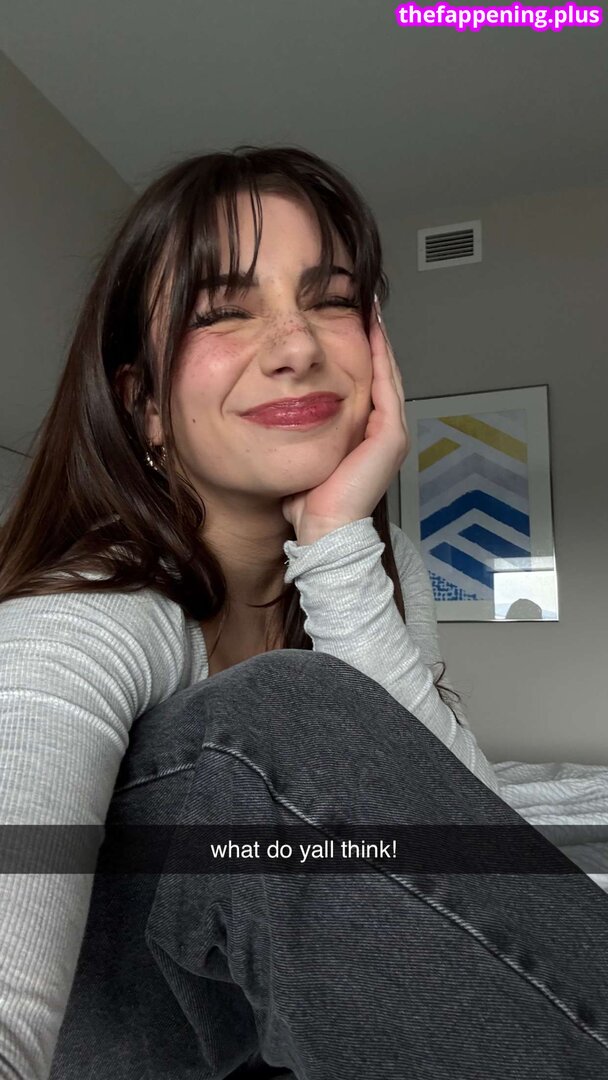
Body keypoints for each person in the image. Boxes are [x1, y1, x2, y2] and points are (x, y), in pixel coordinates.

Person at [1, 146, 607, 1080]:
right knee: (273, 715)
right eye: (222, 312)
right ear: (144, 404)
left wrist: (336, 541)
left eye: (332, 300)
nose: (297, 346)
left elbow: (457, 857)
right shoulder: (90, 612)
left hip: (271, 1031)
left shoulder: (379, 565)